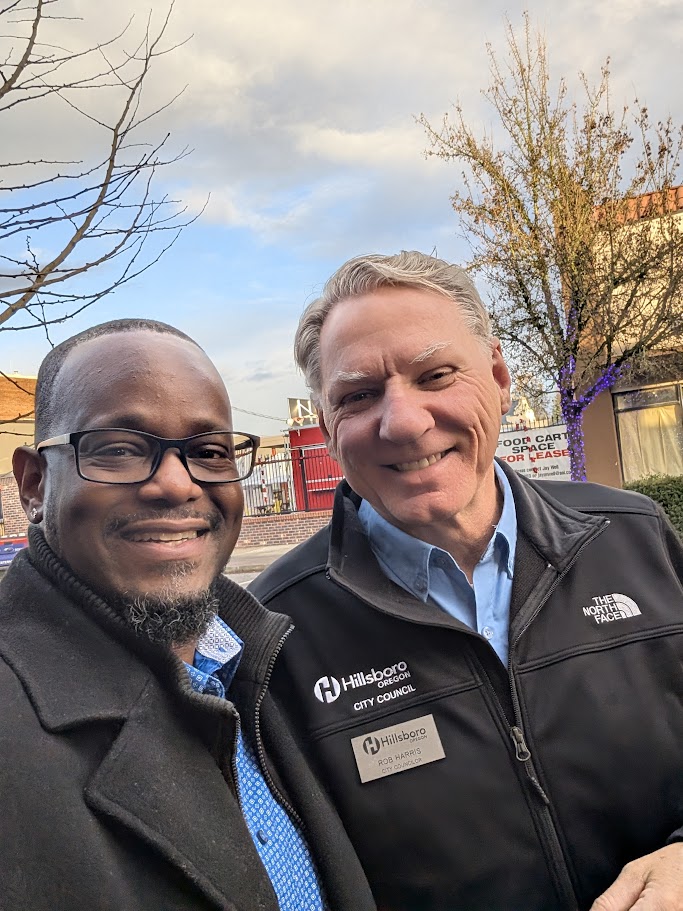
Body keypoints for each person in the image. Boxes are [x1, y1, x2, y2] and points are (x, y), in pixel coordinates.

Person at [250, 252, 683, 911]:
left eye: (435, 375)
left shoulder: (634, 538)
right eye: (358, 396)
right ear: (327, 427)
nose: (403, 421)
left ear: (500, 377)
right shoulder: (275, 631)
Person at [2, 318, 375, 911]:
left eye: (208, 451)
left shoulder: (263, 662)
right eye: (119, 449)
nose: (177, 485)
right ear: (34, 484)